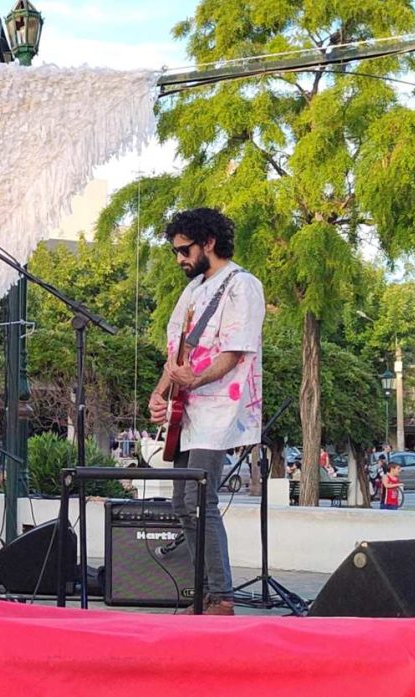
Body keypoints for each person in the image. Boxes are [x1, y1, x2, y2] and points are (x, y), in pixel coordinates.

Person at [148, 208, 265, 617]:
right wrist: (160, 393)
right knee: (182, 504)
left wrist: (195, 379)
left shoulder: (241, 285)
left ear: (209, 242)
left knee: (202, 501)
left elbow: (235, 352)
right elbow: (178, 352)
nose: (179, 258)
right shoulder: (193, 290)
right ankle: (202, 593)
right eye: (175, 251)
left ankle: (222, 596)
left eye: (185, 249)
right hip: (188, 412)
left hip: (220, 411)